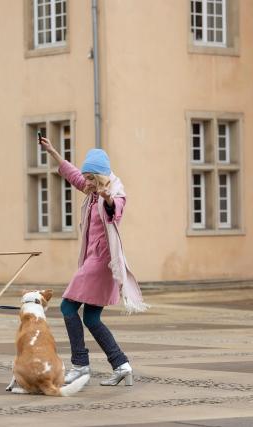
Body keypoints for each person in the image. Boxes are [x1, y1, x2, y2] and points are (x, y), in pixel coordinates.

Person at [38, 136, 148, 386]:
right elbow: (74, 175)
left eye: (90, 178)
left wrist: (108, 197)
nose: (85, 182)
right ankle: (121, 365)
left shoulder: (114, 193)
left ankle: (80, 365)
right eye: (86, 177)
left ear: (100, 176)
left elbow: (114, 209)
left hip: (100, 263)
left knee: (67, 307)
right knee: (91, 318)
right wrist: (53, 151)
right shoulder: (91, 190)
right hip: (94, 261)